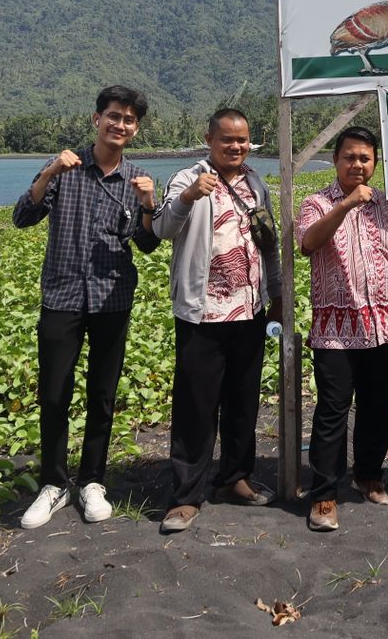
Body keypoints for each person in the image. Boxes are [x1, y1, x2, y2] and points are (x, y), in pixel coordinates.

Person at [13, 85, 161, 529]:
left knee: (102, 393)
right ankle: (54, 484)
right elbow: (23, 216)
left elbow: (148, 243)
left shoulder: (137, 178)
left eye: (129, 120)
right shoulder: (65, 167)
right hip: (62, 295)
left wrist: (149, 204)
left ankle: (93, 480)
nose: (120, 125)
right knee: (55, 392)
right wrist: (50, 172)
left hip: (112, 297)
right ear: (96, 119)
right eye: (114, 116)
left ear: (135, 129)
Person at [154, 107, 281, 532]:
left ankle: (234, 479)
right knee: (196, 405)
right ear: (209, 138)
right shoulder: (186, 179)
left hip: (249, 309)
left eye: (243, 140)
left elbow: (269, 244)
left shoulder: (255, 183)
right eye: (227, 139)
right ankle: (186, 496)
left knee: (243, 401)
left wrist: (276, 295)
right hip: (202, 312)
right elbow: (161, 228)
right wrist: (190, 197)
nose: (236, 147)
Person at [297, 126, 388, 532]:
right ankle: (324, 495)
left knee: (377, 406)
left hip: (383, 325)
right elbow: (308, 243)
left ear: (375, 163)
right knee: (333, 410)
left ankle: (368, 474)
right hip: (335, 328)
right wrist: (347, 204)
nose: (357, 164)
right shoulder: (316, 203)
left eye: (365, 158)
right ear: (335, 160)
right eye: (349, 157)